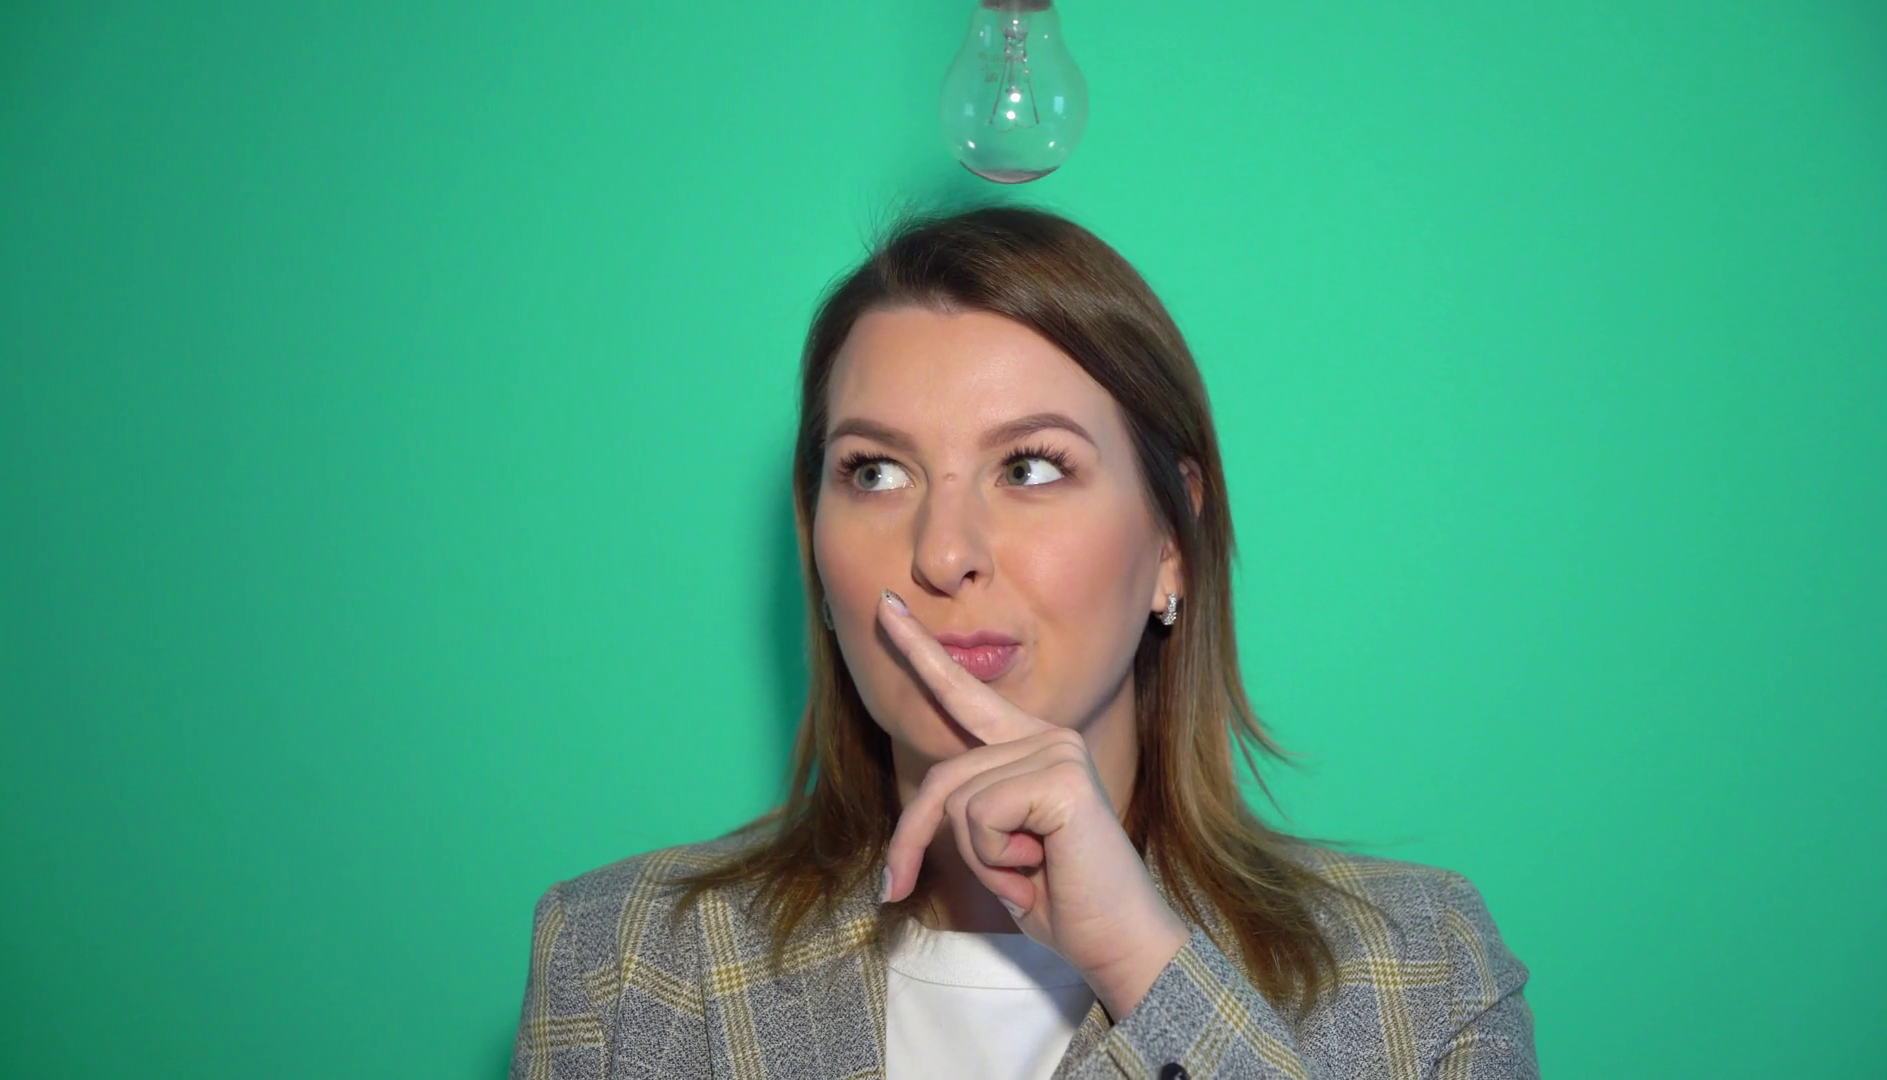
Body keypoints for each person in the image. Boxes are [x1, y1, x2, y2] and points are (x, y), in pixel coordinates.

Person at [509, 206, 1537, 1079]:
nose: (944, 553)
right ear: (815, 547)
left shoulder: (1424, 976)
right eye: (874, 472)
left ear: (1172, 540)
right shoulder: (624, 968)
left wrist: (1145, 964)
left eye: (1031, 468)